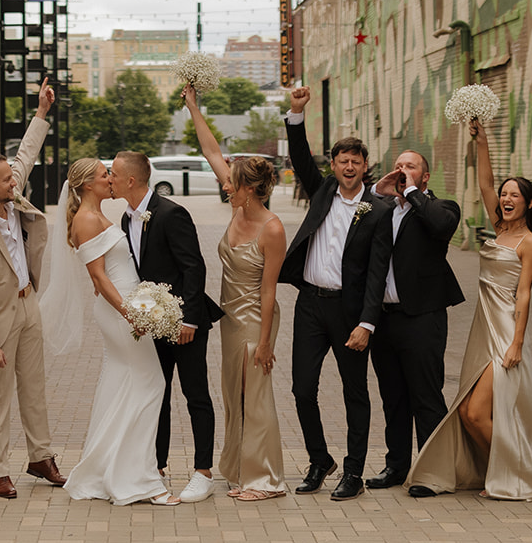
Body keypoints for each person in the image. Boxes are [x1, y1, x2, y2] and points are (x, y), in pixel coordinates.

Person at [407, 120, 532, 500]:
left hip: (504, 329)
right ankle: (499, 473)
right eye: (505, 194)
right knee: (468, 411)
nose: (506, 198)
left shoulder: (529, 241)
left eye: (515, 195)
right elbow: (485, 184)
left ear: (529, 203)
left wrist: (517, 343)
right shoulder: (500, 227)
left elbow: (524, 295)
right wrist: (481, 142)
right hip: (481, 327)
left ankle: (517, 476)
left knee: (475, 413)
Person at [280, 85, 393, 501]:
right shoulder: (323, 189)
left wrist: (367, 322)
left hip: (350, 312)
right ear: (334, 164)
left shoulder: (378, 210)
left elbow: (378, 272)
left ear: (366, 166)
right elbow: (299, 155)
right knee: (301, 389)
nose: (349, 167)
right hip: (310, 304)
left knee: (354, 392)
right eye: (342, 161)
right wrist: (296, 112)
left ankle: (354, 472)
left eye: (356, 161)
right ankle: (318, 460)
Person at [0, 79, 67, 499]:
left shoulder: (10, 195)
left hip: (28, 305)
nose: (13, 182)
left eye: (11, 178)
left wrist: (41, 112)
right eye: (5, 180)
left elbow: (25, 156)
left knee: (35, 387)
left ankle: (40, 457)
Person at [184, 85, 288, 500]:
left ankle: (266, 481)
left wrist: (264, 342)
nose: (226, 186)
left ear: (252, 189)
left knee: (256, 395)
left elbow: (269, 291)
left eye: (234, 184)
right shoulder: (237, 209)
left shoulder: (273, 228)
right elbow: (213, 152)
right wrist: (194, 107)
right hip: (230, 317)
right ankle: (242, 468)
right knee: (234, 394)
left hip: (257, 319)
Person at [110, 148, 224, 502]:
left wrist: (189, 318)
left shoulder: (172, 213)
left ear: (130, 179)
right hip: (153, 323)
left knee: (196, 395)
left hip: (186, 324)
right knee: (155, 395)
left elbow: (194, 267)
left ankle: (203, 472)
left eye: (112, 174)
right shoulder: (127, 219)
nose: (109, 179)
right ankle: (155, 466)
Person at [63, 158, 179, 506]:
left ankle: (113, 470)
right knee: (151, 383)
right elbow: (98, 277)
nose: (110, 180)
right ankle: (140, 480)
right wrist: (131, 314)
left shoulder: (100, 216)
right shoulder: (85, 219)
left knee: (122, 385)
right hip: (121, 314)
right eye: (104, 175)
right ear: (87, 185)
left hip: (128, 308)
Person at [363, 149, 464, 490]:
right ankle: (396, 466)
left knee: (426, 394)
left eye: (410, 167)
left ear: (425, 177)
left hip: (422, 317)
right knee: (393, 396)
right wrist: (378, 193)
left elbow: (439, 225)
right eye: (398, 166)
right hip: (384, 318)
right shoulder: (383, 209)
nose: (402, 171)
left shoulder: (442, 207)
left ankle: (433, 471)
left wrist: (410, 193)